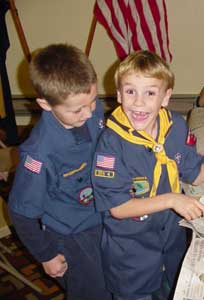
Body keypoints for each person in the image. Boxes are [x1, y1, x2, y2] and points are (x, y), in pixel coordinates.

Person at [91, 50, 204, 300]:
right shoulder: (110, 145)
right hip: (131, 251)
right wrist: (173, 199)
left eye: (150, 92)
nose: (139, 103)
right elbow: (117, 207)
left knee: (171, 290)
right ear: (118, 95)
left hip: (170, 240)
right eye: (130, 91)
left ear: (165, 97)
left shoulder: (175, 126)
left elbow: (195, 173)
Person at [7, 44, 111, 300]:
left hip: (104, 214)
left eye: (92, 101)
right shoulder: (40, 154)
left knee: (120, 277)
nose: (89, 113)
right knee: (92, 292)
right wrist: (46, 255)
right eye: (77, 109)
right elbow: (20, 212)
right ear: (45, 103)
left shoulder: (87, 106)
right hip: (72, 233)